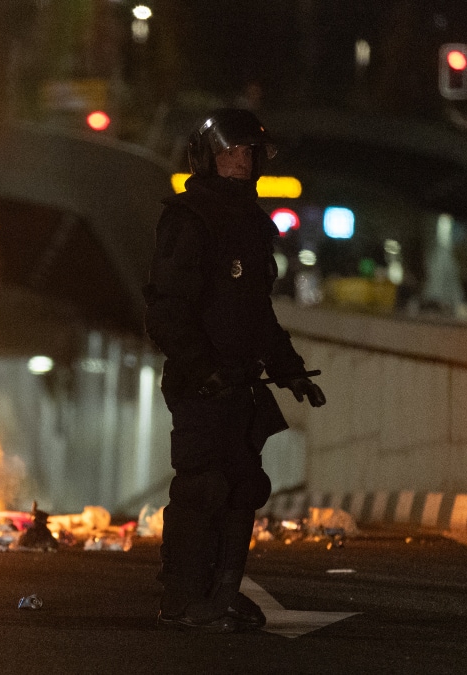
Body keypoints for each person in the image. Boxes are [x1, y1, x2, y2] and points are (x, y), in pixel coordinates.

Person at [143, 108, 326, 633]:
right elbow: (168, 312)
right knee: (204, 486)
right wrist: (203, 370)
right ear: (206, 158)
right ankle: (181, 599)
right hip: (202, 385)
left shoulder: (250, 223)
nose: (240, 161)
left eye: (248, 152)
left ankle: (224, 593)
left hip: (242, 384)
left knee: (245, 485)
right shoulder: (189, 218)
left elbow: (256, 312)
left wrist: (290, 371)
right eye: (229, 152)